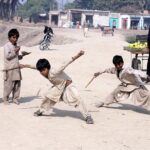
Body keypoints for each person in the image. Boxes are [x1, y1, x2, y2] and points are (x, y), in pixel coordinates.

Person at [24, 51, 94, 124]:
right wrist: (25, 65)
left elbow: (65, 63)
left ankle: (87, 116)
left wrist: (77, 55)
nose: (42, 72)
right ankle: (41, 110)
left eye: (43, 70)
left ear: (47, 68)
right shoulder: (42, 70)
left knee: (77, 99)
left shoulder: (54, 71)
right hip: (58, 87)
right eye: (40, 71)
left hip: (68, 86)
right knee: (48, 97)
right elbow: (35, 67)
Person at [3, 29, 24, 105]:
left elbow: (16, 57)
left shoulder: (16, 46)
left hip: (16, 68)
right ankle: (5, 99)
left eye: (16, 38)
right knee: (9, 85)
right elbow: (7, 56)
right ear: (9, 38)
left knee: (17, 85)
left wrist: (21, 56)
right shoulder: (7, 46)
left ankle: (15, 98)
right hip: (9, 69)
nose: (15, 39)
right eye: (13, 37)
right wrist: (15, 51)